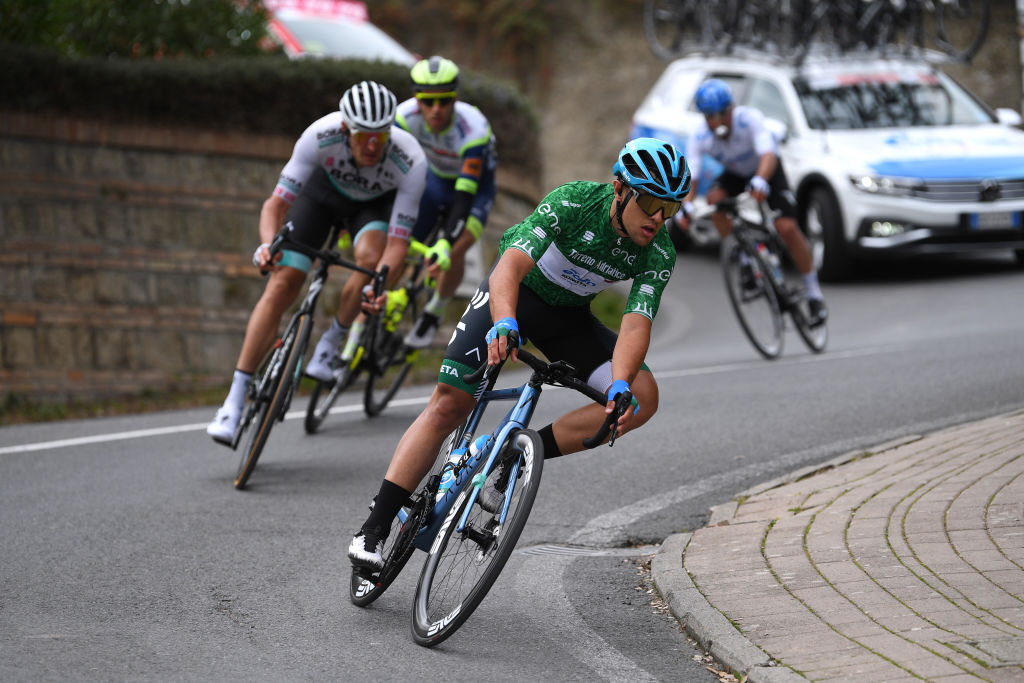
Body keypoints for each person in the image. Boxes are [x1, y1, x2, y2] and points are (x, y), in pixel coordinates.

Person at [347, 138, 689, 569]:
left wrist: (619, 383)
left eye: (671, 209)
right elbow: (510, 264)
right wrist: (505, 321)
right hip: (513, 297)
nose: (659, 219)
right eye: (652, 204)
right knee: (450, 403)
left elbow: (636, 321)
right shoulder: (574, 201)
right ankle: (372, 531)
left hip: (569, 320)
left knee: (640, 399)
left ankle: (514, 456)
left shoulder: (658, 252)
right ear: (620, 188)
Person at [206, 81, 427, 444]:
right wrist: (267, 246)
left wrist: (380, 282)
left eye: (380, 136)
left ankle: (332, 340)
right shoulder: (319, 135)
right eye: (363, 136)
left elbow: (398, 244)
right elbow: (275, 206)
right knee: (282, 284)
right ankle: (233, 401)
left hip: (369, 209)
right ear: (345, 129)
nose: (372, 145)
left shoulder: (411, 159)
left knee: (371, 261)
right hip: (320, 198)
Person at [676, 78, 827, 325]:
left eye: (720, 115)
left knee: (786, 228)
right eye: (709, 116)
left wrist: (760, 180)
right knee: (716, 202)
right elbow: (692, 175)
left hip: (766, 170)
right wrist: (687, 205)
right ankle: (745, 258)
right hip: (735, 175)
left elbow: (768, 154)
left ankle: (814, 295)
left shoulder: (749, 119)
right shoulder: (700, 135)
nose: (715, 122)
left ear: (731, 109)